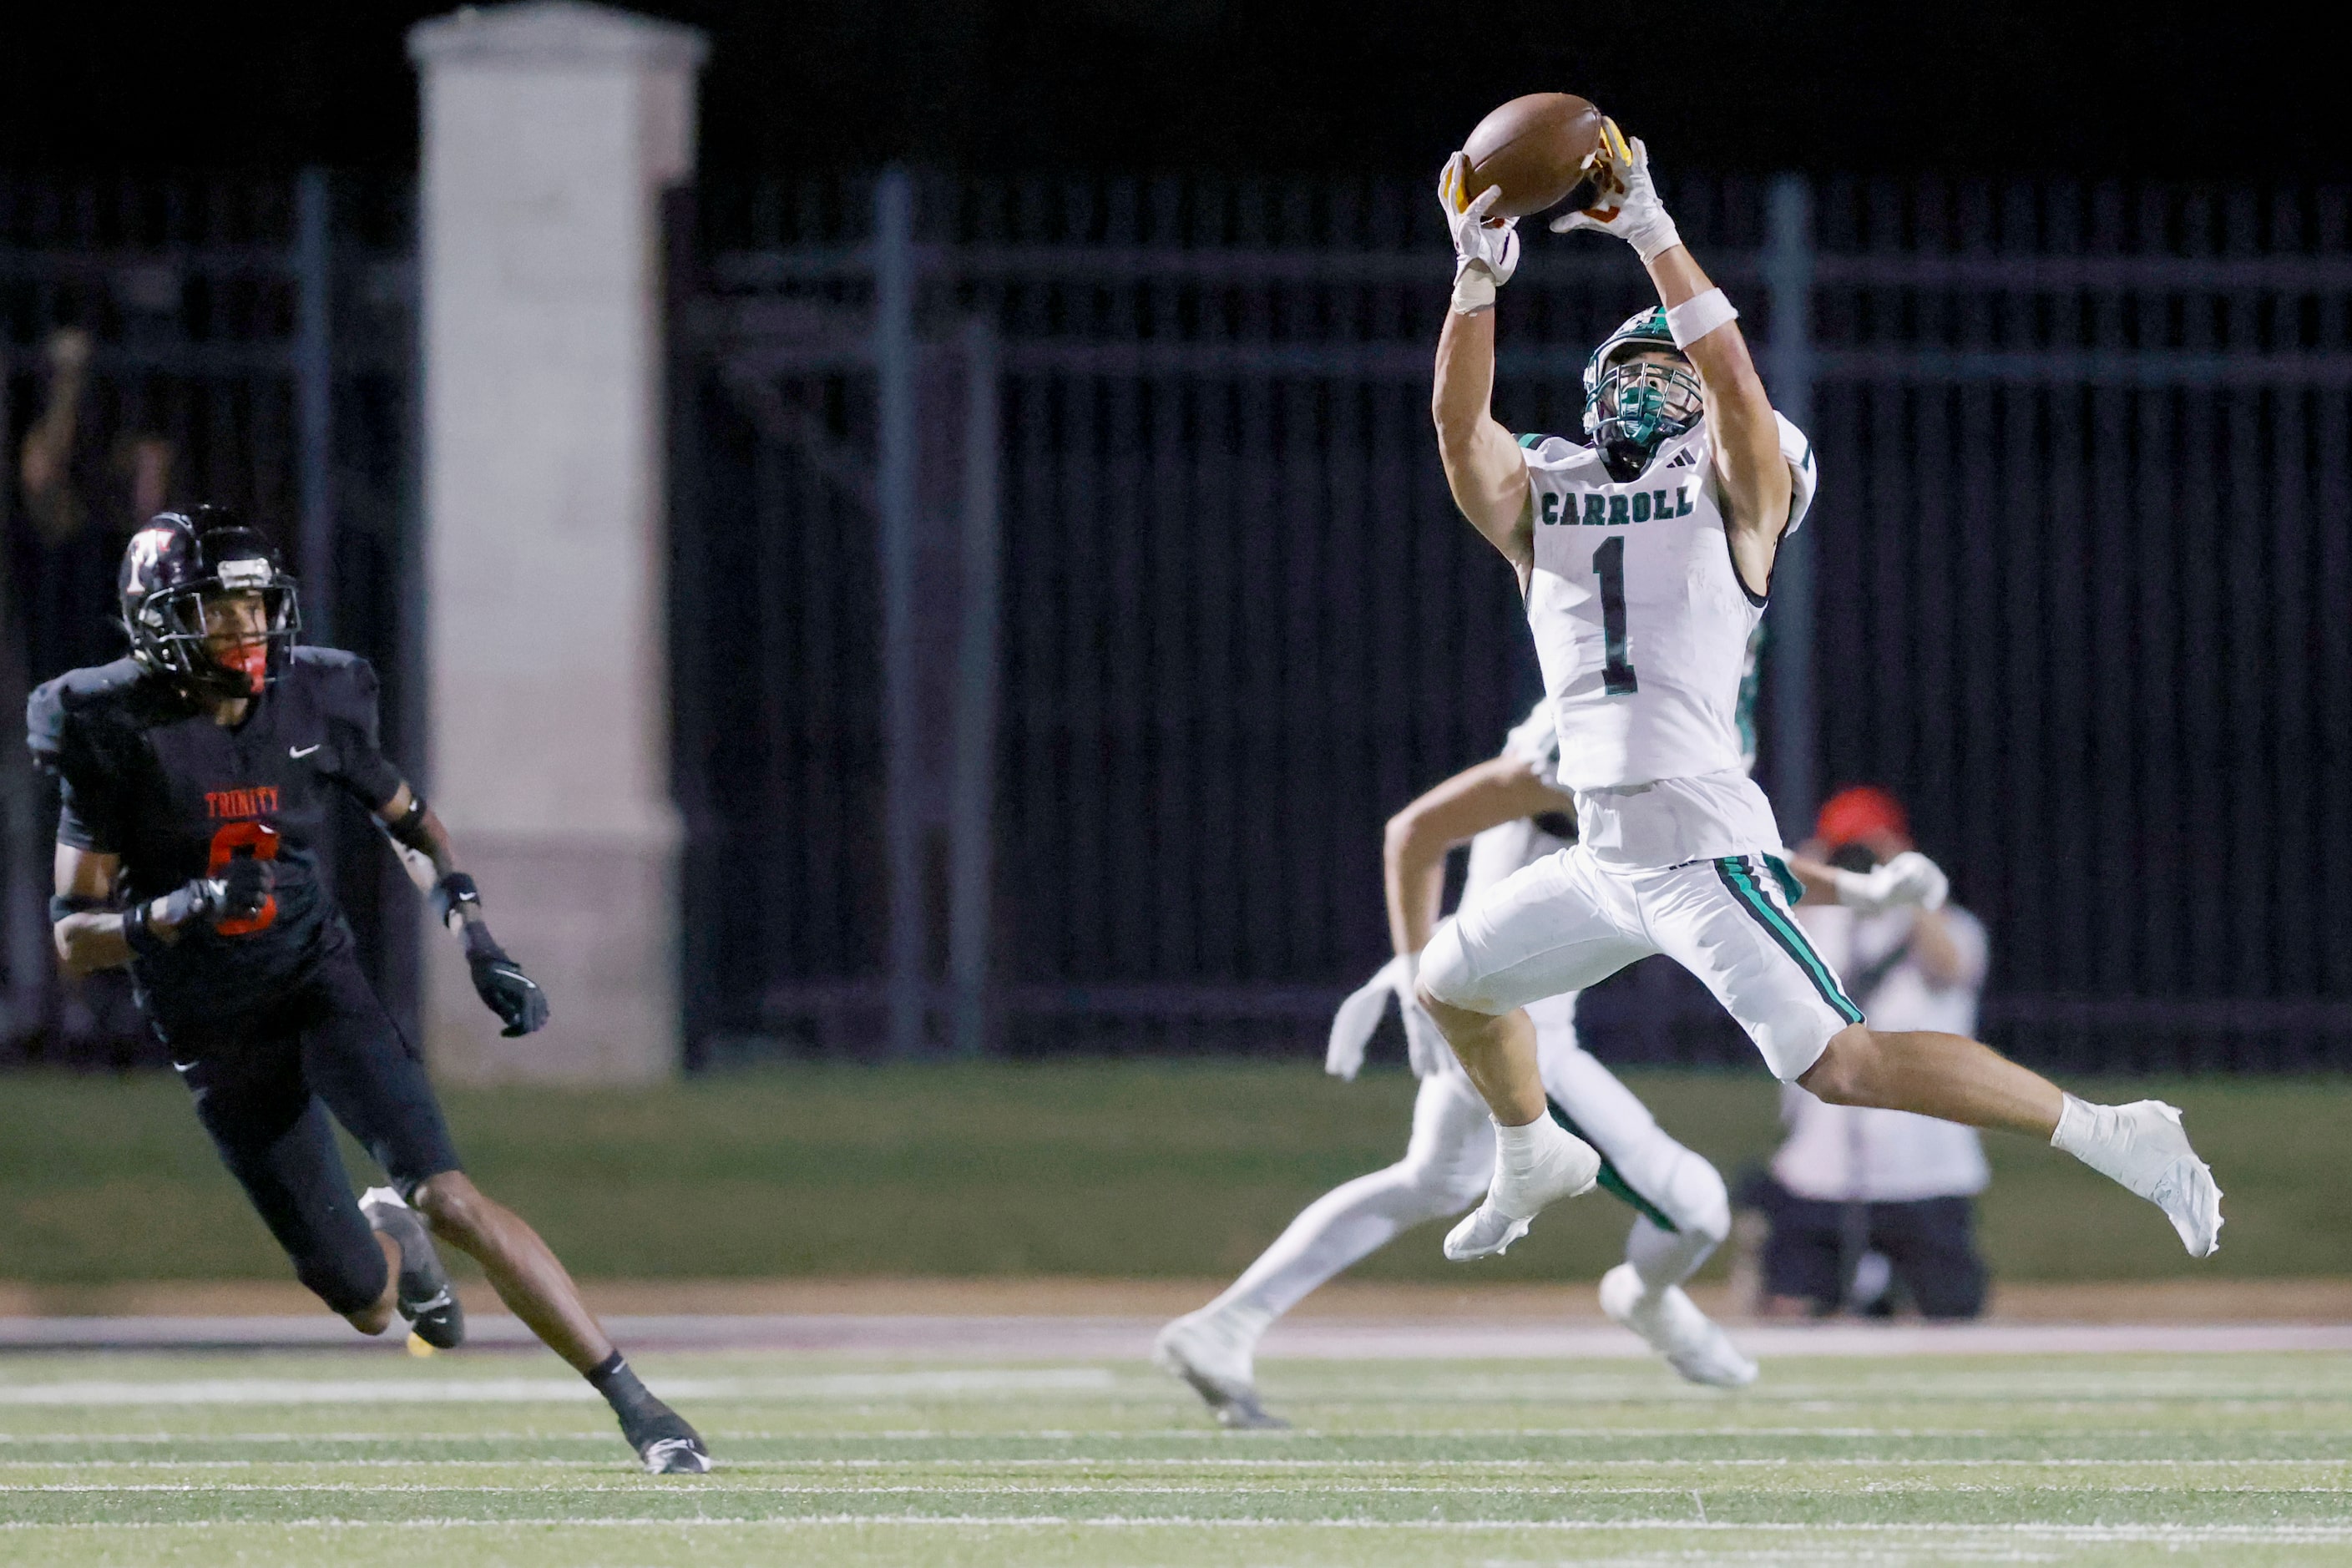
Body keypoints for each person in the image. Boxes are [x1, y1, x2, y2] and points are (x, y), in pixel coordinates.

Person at [1414, 122, 2221, 1272]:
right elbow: (1458, 432)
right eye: (1631, 369)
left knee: (1839, 1064)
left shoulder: (1733, 496)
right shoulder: (1546, 487)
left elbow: (1739, 390)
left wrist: (1651, 232)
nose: (1651, 386)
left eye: (1670, 373)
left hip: (1701, 849)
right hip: (1602, 851)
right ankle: (1533, 1143)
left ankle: (2113, 1130)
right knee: (1452, 981)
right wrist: (1474, 282)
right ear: (1593, 391)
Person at [29, 507, 711, 1474]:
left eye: (256, 607)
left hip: (316, 980)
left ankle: (641, 1407)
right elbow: (72, 937)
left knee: (454, 1197)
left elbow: (414, 825)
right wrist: (179, 909)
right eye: (219, 613)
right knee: (367, 1302)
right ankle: (393, 1248)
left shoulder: (317, 699)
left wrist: (477, 937)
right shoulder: (105, 725)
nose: (247, 631)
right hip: (216, 1029)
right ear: (159, 622)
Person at [1154, 701, 1950, 1426]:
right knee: (1696, 1208)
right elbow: (1416, 831)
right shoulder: (1589, 735)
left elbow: (1730, 863)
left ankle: (1222, 1327)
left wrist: (1861, 890)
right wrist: (1413, 974)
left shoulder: (1685, 719)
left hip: (1510, 1010)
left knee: (1430, 1180)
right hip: (1513, 1022)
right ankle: (1644, 1299)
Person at [1759, 787, 1992, 1319]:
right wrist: (1814, 867)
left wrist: (1903, 882)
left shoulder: (1950, 927)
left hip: (1926, 1170)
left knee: (1952, 1313)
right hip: (1821, 1171)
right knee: (1793, 1308)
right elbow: (1766, 925)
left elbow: (1949, 967)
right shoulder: (1814, 926)